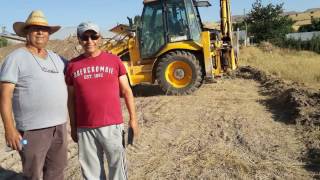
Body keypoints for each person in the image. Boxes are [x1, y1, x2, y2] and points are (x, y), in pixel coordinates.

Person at [65, 22, 139, 180]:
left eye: (93, 36)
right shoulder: (72, 66)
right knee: (91, 174)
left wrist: (133, 119)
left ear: (100, 38)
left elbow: (126, 91)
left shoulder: (114, 61)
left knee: (117, 170)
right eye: (84, 37)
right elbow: (70, 99)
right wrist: (73, 125)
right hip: (85, 128)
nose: (89, 40)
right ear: (79, 40)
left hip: (112, 126)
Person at [0, 10, 68, 180]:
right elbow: (4, 96)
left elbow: (78, 71)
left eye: (44, 29)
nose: (40, 32)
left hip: (59, 127)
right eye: (35, 28)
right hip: (31, 131)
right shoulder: (15, 58)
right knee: (33, 174)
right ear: (26, 33)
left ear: (49, 35)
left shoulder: (57, 58)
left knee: (57, 171)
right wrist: (9, 129)